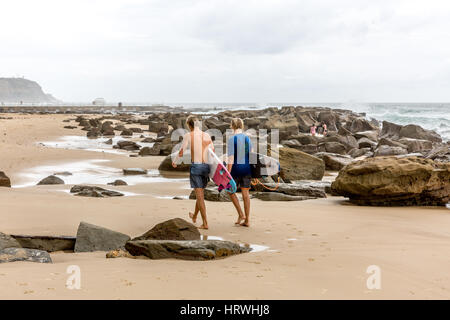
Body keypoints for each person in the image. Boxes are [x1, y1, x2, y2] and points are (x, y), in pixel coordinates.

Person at [172, 115, 214, 230]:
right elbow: (212, 151)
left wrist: (175, 161)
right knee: (200, 193)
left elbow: (182, 150)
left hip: (196, 167)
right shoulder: (206, 135)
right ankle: (195, 216)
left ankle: (205, 223)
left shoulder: (188, 135)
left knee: (199, 196)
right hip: (206, 166)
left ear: (189, 125)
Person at [227, 118, 253, 227]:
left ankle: (241, 214)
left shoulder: (232, 139)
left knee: (231, 191)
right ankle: (246, 220)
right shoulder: (247, 138)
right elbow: (252, 155)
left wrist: (228, 174)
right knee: (245, 194)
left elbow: (231, 159)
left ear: (232, 126)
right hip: (247, 168)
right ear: (241, 126)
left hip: (236, 169)